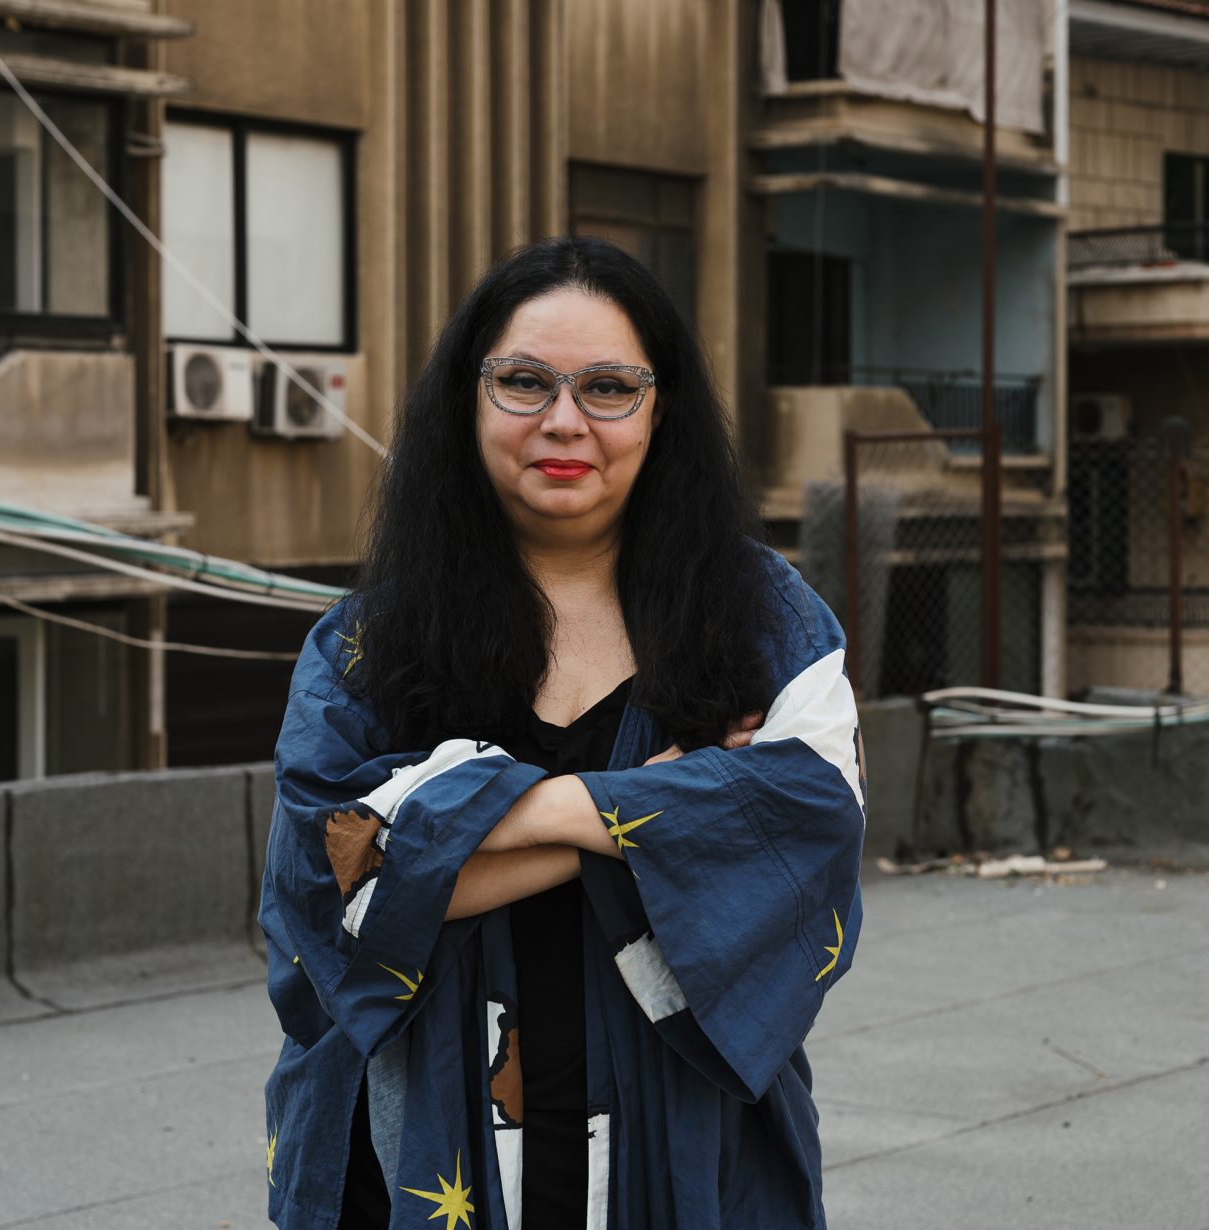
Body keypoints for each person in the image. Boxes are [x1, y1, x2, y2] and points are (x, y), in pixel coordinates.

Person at [260, 235, 865, 1230]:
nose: (564, 422)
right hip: (411, 1162)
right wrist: (657, 810)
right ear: (469, 397)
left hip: (688, 1161)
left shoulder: (765, 625)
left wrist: (468, 826)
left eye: (610, 388)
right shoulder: (371, 644)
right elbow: (328, 875)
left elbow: (808, 829)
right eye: (525, 382)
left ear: (660, 407)